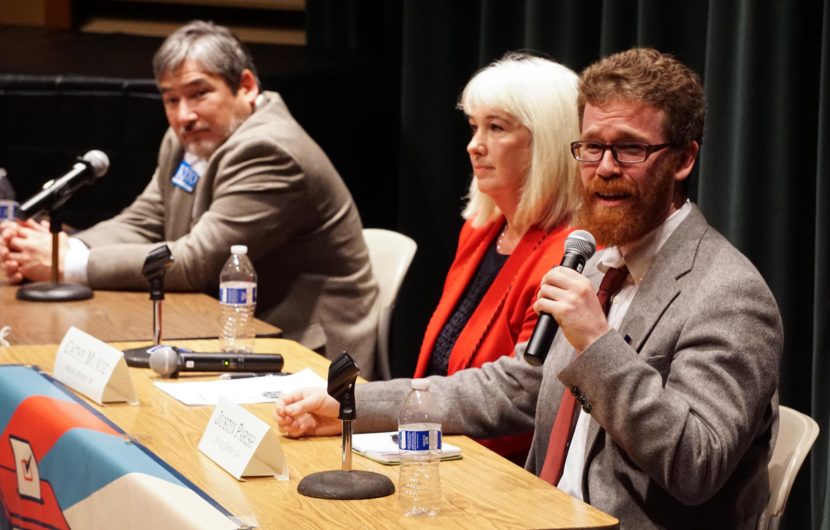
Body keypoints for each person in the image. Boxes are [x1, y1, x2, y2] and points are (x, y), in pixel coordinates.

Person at [274, 48, 783, 529]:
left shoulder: (728, 294)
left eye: (629, 148)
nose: (605, 168)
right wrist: (355, 407)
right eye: (592, 148)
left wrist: (597, 342)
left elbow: (695, 464)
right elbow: (519, 387)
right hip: (538, 511)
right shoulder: (599, 260)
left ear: (683, 160)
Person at [0, 21, 379, 375]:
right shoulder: (188, 139)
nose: (184, 115)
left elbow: (199, 262)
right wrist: (55, 250)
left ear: (245, 86)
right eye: (171, 99)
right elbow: (144, 218)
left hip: (306, 350)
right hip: (229, 328)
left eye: (199, 93)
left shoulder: (270, 151)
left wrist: (69, 264)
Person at [409, 53, 579, 461]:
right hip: (436, 446)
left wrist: (365, 406)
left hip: (501, 471)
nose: (474, 145)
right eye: (473, 127)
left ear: (547, 140)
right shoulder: (481, 231)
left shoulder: (569, 255)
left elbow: (517, 396)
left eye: (496, 128)